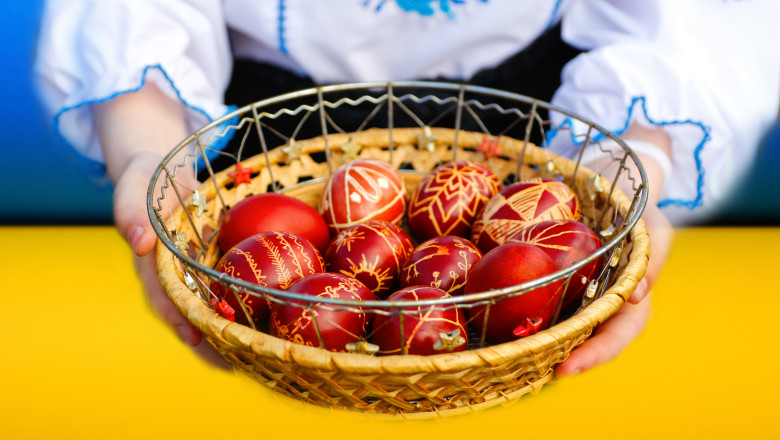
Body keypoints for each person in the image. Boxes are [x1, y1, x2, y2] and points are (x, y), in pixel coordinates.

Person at [34, 0, 780, 375]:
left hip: (548, 128)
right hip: (266, 142)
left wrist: (632, 171)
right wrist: (151, 150)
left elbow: (686, 21)